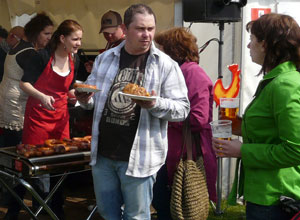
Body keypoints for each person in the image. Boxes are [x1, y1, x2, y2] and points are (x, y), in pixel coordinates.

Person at [75, 4, 190, 220]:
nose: (147, 35)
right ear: (125, 29)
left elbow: (182, 110)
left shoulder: (165, 65)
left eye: (151, 29)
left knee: (136, 216)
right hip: (103, 156)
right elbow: (93, 99)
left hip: (140, 157)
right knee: (107, 213)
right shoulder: (105, 58)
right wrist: (84, 99)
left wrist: (154, 104)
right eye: (140, 29)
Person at [212, 13, 300, 220]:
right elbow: (270, 129)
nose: (249, 46)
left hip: (277, 196)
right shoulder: (276, 80)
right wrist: (237, 126)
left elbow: (295, 150)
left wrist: (242, 150)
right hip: (264, 193)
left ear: (267, 44)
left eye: (253, 40)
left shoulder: (285, 84)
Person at [19, 19, 82, 219]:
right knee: (36, 163)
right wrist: (42, 96)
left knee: (59, 162)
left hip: (61, 117)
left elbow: (69, 87)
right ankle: (33, 205)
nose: (79, 43)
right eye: (76, 39)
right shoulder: (42, 56)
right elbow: (24, 84)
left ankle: (56, 206)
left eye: (81, 39)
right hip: (38, 116)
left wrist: (78, 95)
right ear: (62, 38)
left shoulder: (75, 59)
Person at [152, 27, 217, 219]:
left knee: (177, 208)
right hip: (173, 152)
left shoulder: (192, 73)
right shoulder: (179, 72)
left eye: (161, 49)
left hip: (185, 154)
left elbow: (198, 118)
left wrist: (161, 113)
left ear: (173, 50)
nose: (158, 54)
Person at [0, 14, 53, 220]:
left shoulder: (19, 48)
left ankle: (14, 205)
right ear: (36, 33)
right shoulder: (30, 53)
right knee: (23, 157)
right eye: (46, 34)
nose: (49, 38)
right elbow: (37, 82)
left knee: (16, 157)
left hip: (9, 104)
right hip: (17, 110)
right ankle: (22, 204)